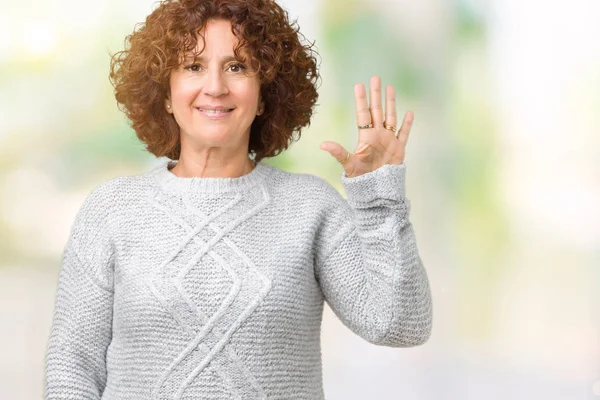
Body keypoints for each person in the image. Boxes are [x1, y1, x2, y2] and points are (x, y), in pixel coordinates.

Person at [44, 0, 433, 398]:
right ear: (165, 93)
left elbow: (401, 325)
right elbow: (72, 368)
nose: (215, 86)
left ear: (265, 94)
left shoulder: (311, 208)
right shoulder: (112, 210)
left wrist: (379, 201)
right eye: (193, 66)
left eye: (237, 66)